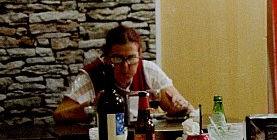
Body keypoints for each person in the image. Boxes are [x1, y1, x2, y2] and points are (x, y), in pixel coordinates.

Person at [53, 24, 192, 123]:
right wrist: (92, 106)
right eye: (117, 59)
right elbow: (59, 114)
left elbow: (184, 107)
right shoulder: (91, 75)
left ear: (140, 55)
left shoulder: (149, 70)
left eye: (131, 58)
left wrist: (179, 108)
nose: (125, 67)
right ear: (107, 58)